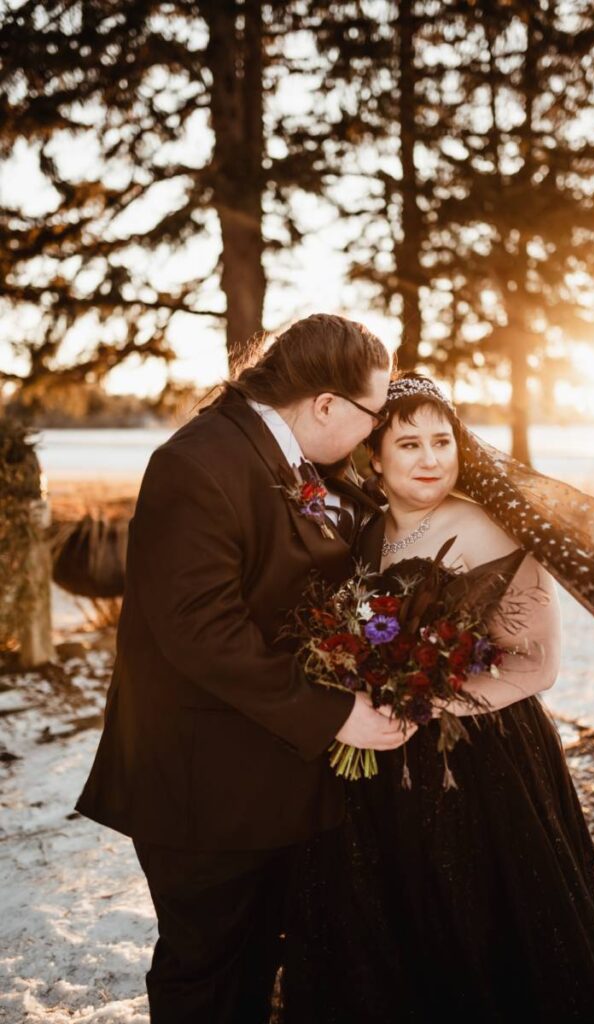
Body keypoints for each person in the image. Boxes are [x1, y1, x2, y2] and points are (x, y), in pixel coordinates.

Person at [281, 374, 594, 1024]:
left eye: (441, 441)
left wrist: (432, 699)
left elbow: (536, 664)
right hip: (377, 766)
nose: (430, 458)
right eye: (409, 444)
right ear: (376, 456)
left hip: (481, 766)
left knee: (483, 931)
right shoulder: (363, 533)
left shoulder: (490, 527)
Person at [74, 314, 417, 1024]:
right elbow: (201, 630)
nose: (374, 433)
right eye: (373, 415)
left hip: (266, 778)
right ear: (324, 404)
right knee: (207, 971)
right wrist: (335, 715)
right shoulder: (199, 463)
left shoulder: (292, 457)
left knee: (258, 963)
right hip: (202, 785)